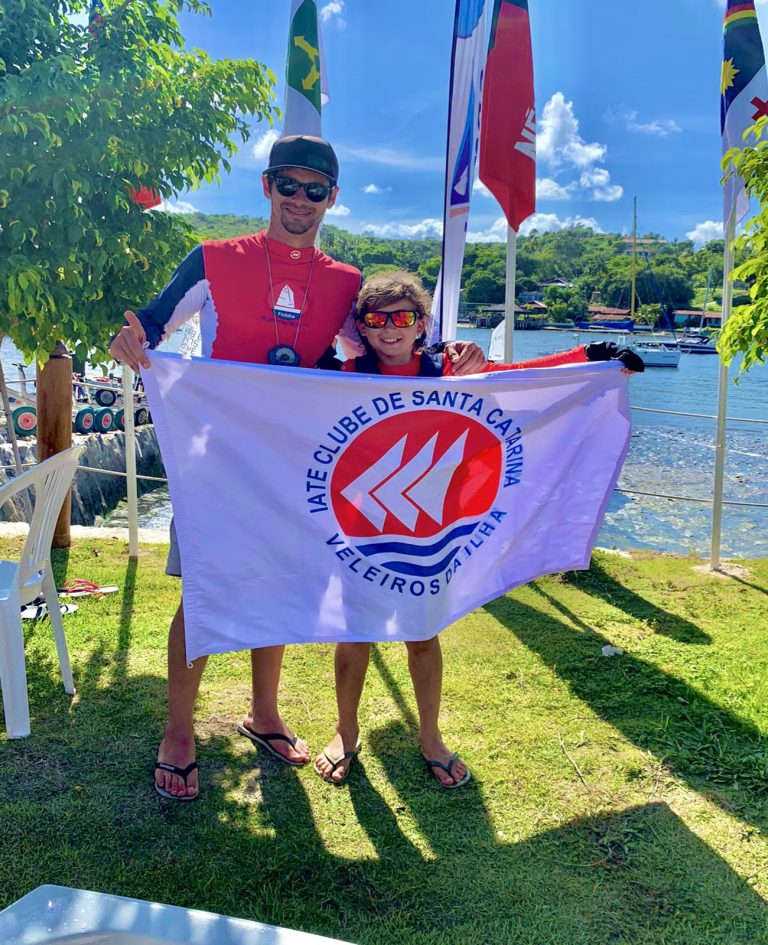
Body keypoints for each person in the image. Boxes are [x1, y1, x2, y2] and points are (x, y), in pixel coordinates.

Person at [109, 137, 487, 801]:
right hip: (217, 462)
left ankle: (265, 714)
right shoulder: (214, 260)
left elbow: (383, 351)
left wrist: (451, 356)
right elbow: (155, 320)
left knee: (278, 587)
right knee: (203, 594)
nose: (300, 200)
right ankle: (178, 732)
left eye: (316, 190)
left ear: (332, 198)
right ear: (267, 186)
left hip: (294, 465)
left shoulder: (345, 282)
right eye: (289, 184)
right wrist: (132, 334)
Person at [314, 270, 643, 788]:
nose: (390, 328)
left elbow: (521, 380)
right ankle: (345, 731)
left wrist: (590, 359)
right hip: (361, 528)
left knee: (422, 634)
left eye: (403, 317)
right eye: (377, 319)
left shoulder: (452, 367)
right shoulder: (342, 373)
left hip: (431, 528)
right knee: (354, 634)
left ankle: (430, 736)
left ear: (421, 323)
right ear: (363, 326)